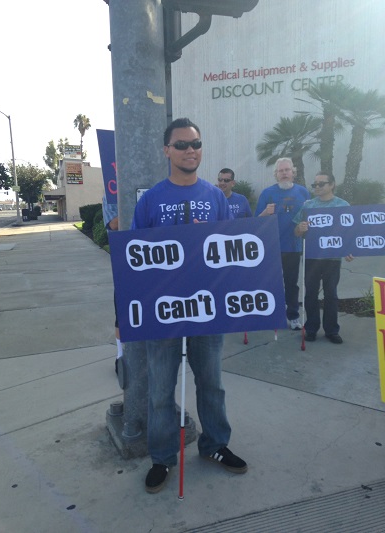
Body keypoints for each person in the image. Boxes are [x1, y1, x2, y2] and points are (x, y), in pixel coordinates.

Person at [131, 117, 247, 494]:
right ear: (167, 150)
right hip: (162, 313)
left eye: (195, 143)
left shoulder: (215, 197)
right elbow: (133, 261)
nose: (189, 150)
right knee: (161, 391)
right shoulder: (150, 200)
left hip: (207, 310)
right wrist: (124, 314)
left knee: (211, 385)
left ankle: (214, 445)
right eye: (180, 145)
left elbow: (229, 253)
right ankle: (162, 457)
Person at [294, 172, 354, 344]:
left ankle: (331, 330)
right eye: (315, 185)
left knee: (331, 295)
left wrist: (349, 250)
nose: (317, 187)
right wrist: (300, 227)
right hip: (311, 257)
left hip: (333, 259)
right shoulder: (308, 205)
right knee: (310, 294)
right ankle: (311, 328)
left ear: (332, 184)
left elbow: (349, 232)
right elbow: (296, 232)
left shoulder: (343, 205)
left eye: (322, 184)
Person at [255, 158, 310, 330]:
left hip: (294, 246)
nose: (284, 173)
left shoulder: (303, 193)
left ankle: (293, 316)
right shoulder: (267, 193)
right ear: (276, 174)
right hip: (271, 247)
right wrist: (266, 212)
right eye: (281, 171)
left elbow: (309, 217)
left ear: (293, 172)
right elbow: (256, 221)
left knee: (292, 283)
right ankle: (272, 315)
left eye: (287, 170)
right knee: (271, 283)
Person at [102, 194, 123, 374]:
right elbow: (113, 224)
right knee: (122, 314)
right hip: (124, 261)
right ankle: (121, 356)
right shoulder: (110, 196)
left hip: (152, 259)